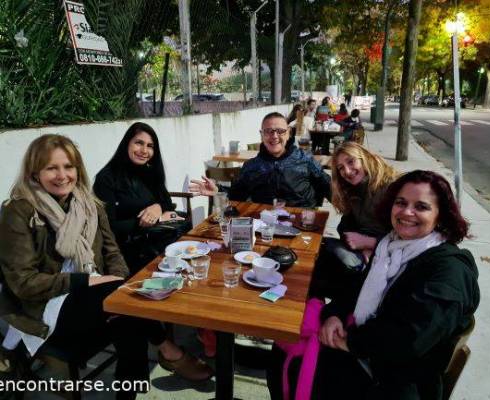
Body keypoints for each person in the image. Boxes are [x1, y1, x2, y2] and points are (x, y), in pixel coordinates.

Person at [0, 135, 212, 399]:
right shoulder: (20, 211)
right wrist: (86, 282)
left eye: (68, 167)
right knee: (130, 312)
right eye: (51, 168)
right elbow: (23, 283)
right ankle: (168, 352)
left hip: (91, 292)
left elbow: (112, 252)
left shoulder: (88, 204)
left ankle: (145, 375)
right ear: (35, 172)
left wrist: (119, 283)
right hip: (43, 307)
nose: (62, 175)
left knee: (128, 314)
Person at [268, 170, 480, 400]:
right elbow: (356, 289)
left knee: (295, 359)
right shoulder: (390, 245)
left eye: (421, 207)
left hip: (394, 380)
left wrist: (350, 342)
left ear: (440, 216)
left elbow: (410, 339)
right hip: (366, 349)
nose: (407, 212)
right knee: (282, 348)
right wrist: (335, 315)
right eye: (401, 203)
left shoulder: (449, 271)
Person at [93, 122, 191, 275]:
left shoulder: (149, 172)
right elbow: (108, 228)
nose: (144, 150)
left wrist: (157, 208)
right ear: (127, 143)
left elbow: (166, 203)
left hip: (156, 244)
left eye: (150, 146)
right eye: (139, 143)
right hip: (126, 254)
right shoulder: (106, 178)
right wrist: (153, 220)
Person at [310, 142, 398, 300]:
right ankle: (318, 310)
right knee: (313, 250)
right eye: (341, 168)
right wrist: (361, 244)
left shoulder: (391, 188)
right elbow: (344, 226)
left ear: (365, 158)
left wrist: (371, 243)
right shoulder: (354, 190)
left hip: (389, 259)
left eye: (351, 162)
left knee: (321, 272)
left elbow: (410, 236)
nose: (347, 171)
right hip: (363, 251)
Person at [189, 112, 332, 208]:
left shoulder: (305, 160)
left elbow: (329, 188)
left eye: (280, 131)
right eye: (269, 131)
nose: (274, 136)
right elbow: (236, 195)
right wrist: (217, 190)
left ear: (288, 133)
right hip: (265, 226)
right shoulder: (251, 166)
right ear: (261, 135)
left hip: (302, 225)